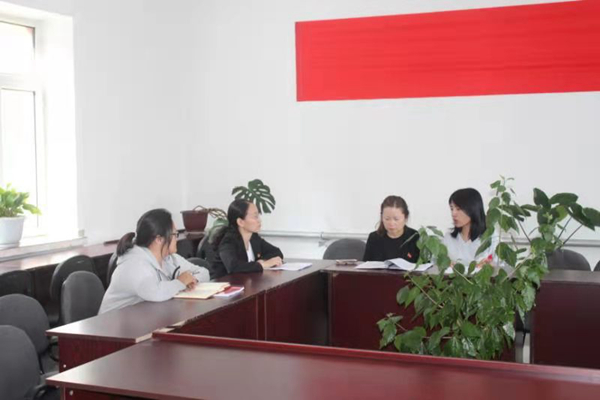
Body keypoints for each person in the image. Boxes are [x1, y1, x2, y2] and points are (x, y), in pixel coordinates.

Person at [99, 208, 210, 314]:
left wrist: (192, 280)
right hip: (112, 323)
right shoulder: (135, 264)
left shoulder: (169, 258)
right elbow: (156, 293)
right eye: (174, 235)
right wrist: (180, 282)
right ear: (159, 239)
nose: (176, 239)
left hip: (142, 317)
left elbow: (204, 272)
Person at [210, 199, 283, 278]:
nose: (259, 220)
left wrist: (263, 260)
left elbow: (276, 252)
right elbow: (233, 267)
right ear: (240, 222)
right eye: (255, 217)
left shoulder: (254, 238)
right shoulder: (228, 241)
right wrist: (262, 265)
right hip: (224, 284)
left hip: (246, 282)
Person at [443, 188, 498, 266]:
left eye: (458, 209)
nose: (453, 213)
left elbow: (500, 264)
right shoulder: (449, 237)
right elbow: (437, 262)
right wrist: (445, 264)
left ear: (473, 209)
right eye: (452, 208)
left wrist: (490, 264)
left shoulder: (491, 236)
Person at [363, 195, 420, 262]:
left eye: (396, 219)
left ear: (406, 218)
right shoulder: (374, 238)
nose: (391, 223)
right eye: (387, 219)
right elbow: (365, 265)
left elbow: (424, 266)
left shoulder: (415, 237)